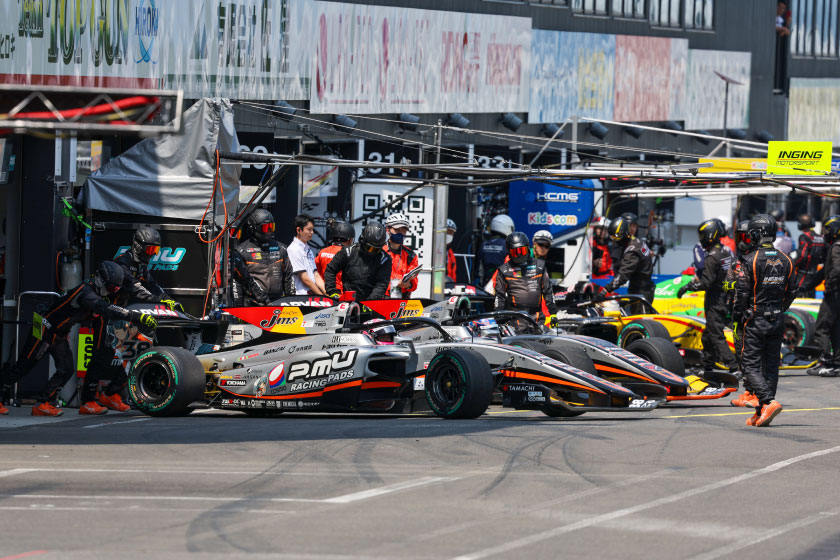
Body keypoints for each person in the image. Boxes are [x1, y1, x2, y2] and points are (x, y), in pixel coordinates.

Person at [0, 262, 157, 416]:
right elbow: (106, 308)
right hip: (43, 327)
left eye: (115, 289)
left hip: (59, 333)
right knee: (23, 367)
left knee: (66, 369)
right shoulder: (86, 292)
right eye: (111, 288)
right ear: (101, 280)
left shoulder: (95, 292)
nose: (112, 291)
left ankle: (43, 403)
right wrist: (137, 316)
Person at [84, 227, 181, 414]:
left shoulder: (142, 265)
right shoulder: (123, 262)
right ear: (138, 246)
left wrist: (166, 298)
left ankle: (111, 394)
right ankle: (87, 401)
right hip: (108, 313)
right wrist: (158, 299)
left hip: (126, 315)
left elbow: (152, 284)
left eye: (155, 250)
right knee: (102, 355)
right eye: (150, 249)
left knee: (134, 353)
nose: (152, 254)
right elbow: (136, 288)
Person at [733, 214, 795, 427]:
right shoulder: (786, 259)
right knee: (770, 366)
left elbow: (741, 294)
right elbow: (793, 291)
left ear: (755, 234)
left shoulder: (749, 260)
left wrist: (737, 316)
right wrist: (780, 309)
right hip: (777, 319)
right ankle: (761, 411)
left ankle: (768, 402)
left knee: (749, 365)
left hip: (755, 319)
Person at [678, 219, 738, 377]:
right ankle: (708, 366)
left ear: (710, 235)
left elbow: (705, 282)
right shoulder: (725, 252)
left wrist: (687, 287)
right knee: (708, 335)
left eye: (702, 235)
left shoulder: (711, 257)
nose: (701, 239)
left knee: (716, 335)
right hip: (725, 297)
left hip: (715, 299)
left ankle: (733, 367)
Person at [231, 209, 295, 305]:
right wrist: (238, 307)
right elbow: (238, 283)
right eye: (266, 228)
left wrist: (291, 301)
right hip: (253, 304)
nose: (269, 231)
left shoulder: (281, 249)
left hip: (277, 303)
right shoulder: (241, 251)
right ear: (254, 228)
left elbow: (288, 277)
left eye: (272, 227)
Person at [727, 220, 759, 408]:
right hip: (738, 314)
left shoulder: (757, 261)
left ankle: (757, 393)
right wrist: (737, 285)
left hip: (754, 315)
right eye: (739, 237)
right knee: (741, 353)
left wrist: (741, 286)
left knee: (753, 356)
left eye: (745, 237)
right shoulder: (735, 262)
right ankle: (749, 391)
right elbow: (726, 285)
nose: (741, 242)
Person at [494, 232, 557, 323]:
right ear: (509, 252)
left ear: (527, 248)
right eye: (515, 252)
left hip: (537, 317)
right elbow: (499, 296)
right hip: (516, 317)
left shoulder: (540, 265)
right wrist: (498, 314)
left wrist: (553, 313)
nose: (519, 255)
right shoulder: (504, 269)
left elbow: (548, 291)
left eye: (522, 251)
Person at [807, 215, 840, 377]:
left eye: (827, 229)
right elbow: (824, 271)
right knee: (836, 329)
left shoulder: (836, 247)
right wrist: (808, 285)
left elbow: (837, 269)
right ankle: (837, 363)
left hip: (834, 294)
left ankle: (825, 362)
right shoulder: (834, 246)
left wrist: (829, 286)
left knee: (821, 328)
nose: (824, 233)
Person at [325, 221, 392, 300]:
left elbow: (381, 284)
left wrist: (370, 302)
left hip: (371, 301)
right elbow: (330, 270)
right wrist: (332, 292)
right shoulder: (348, 252)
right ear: (362, 240)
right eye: (369, 248)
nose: (372, 252)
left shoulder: (384, 259)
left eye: (375, 249)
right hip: (348, 300)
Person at [602, 216, 654, 310]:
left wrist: (605, 290)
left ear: (624, 233)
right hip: (643, 288)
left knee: (638, 319)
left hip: (641, 291)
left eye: (616, 237)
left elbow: (623, 275)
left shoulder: (632, 250)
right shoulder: (636, 241)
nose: (615, 240)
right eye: (612, 237)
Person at [288, 214, 327, 296]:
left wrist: (327, 294)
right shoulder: (293, 249)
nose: (312, 232)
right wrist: (322, 296)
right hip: (299, 297)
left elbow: (316, 275)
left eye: (312, 229)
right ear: (298, 230)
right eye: (309, 229)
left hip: (310, 296)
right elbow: (305, 279)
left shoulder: (309, 250)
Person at [383, 212, 420, 298]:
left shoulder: (411, 255)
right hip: (381, 298)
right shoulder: (379, 251)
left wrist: (408, 285)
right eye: (397, 230)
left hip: (402, 298)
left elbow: (414, 283)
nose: (401, 233)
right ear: (388, 230)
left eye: (403, 230)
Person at [315, 221, 355, 293]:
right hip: (342, 293)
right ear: (350, 239)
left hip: (324, 292)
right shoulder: (348, 253)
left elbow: (315, 272)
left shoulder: (322, 252)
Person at [793, 213, 825, 298]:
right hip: (815, 274)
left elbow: (802, 255)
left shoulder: (804, 237)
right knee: (811, 297)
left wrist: (792, 264)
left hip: (803, 273)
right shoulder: (821, 237)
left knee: (797, 296)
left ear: (801, 224)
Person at [480, 214, 514, 285]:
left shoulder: (483, 245)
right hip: (502, 283)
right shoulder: (508, 245)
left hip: (485, 283)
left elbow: (478, 269)